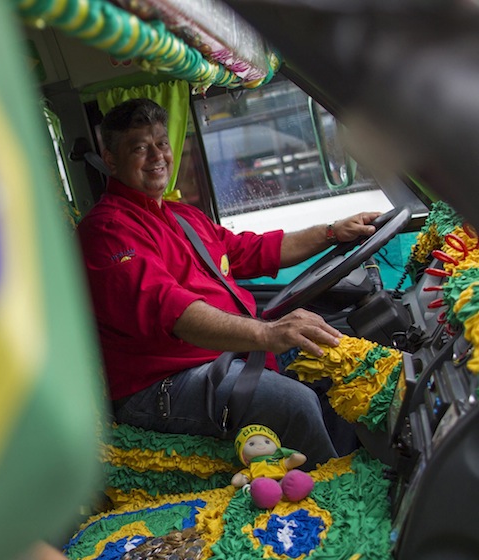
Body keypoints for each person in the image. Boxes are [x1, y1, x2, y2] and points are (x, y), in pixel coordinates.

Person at [76, 98, 381, 470]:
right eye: (140, 147)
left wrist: (332, 232)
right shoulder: (106, 230)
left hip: (225, 357)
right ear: (111, 160)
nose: (157, 156)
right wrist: (267, 333)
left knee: (337, 364)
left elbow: (251, 251)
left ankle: (353, 469)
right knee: (293, 402)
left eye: (162, 143)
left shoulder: (181, 215)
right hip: (162, 384)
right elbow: (173, 312)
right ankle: (338, 501)